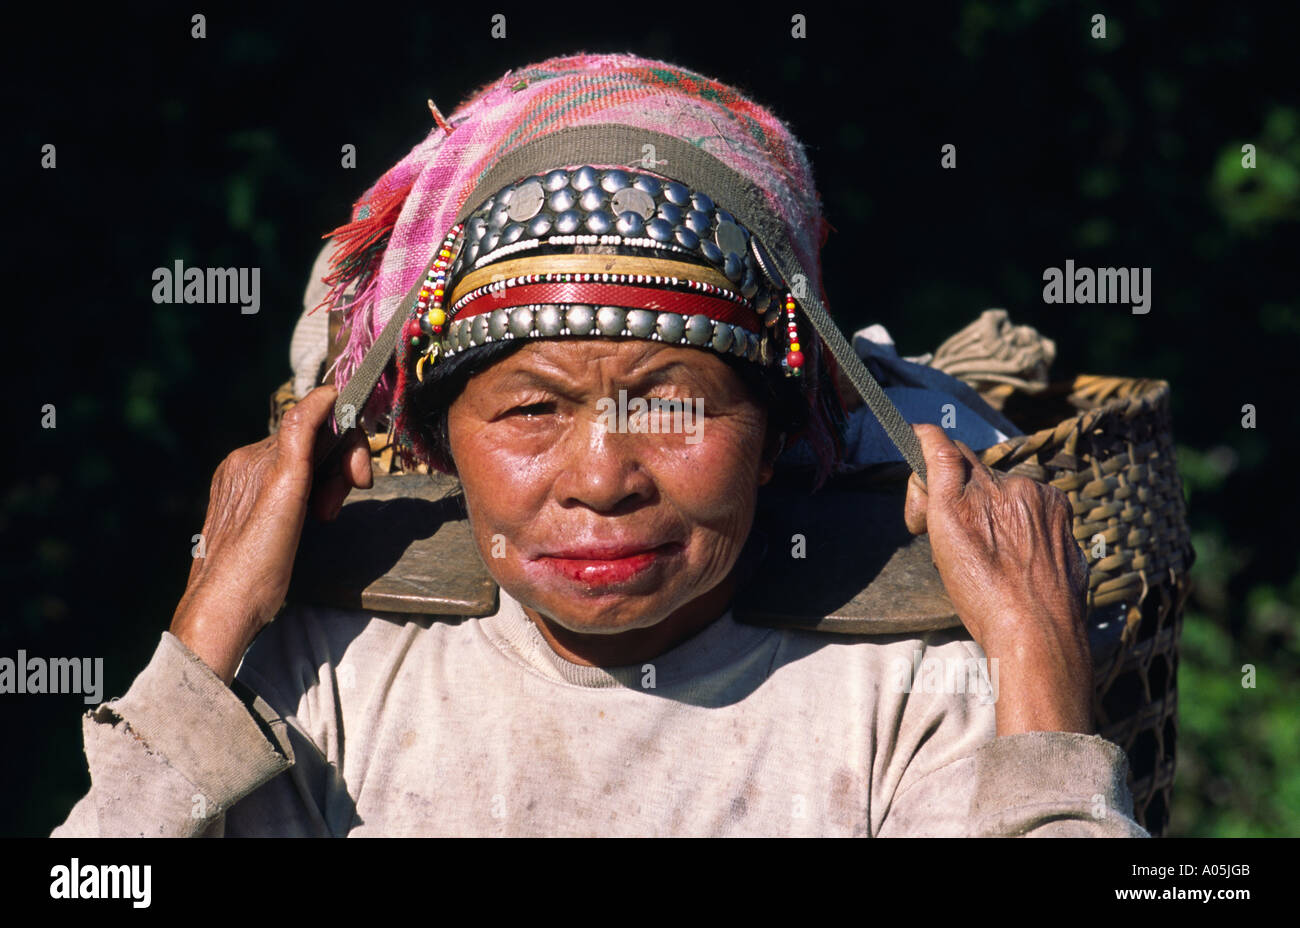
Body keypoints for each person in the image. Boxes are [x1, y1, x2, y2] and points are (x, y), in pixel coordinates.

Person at [53, 52, 1146, 837]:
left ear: (772, 435)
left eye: (673, 404)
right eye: (531, 410)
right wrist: (204, 634)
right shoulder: (327, 672)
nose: (601, 479)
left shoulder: (913, 695)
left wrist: (1038, 675)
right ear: (437, 442)